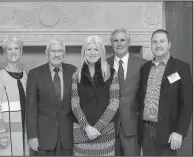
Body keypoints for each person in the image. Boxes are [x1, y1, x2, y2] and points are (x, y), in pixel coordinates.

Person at [138, 29, 193, 156]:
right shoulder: (145, 69)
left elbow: (187, 104)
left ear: (169, 44)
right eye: (154, 42)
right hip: (146, 131)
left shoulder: (181, 68)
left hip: (169, 132)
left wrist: (179, 132)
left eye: (162, 41)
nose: (158, 45)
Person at [71, 35, 120, 156]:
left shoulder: (111, 73)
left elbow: (114, 103)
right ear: (84, 52)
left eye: (96, 49)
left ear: (101, 52)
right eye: (89, 49)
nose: (92, 52)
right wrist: (87, 127)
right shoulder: (76, 74)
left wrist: (97, 128)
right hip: (82, 133)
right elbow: (74, 104)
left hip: (105, 133)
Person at [26, 39, 76, 156]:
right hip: (43, 138)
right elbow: (31, 108)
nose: (56, 54)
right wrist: (32, 136)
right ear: (46, 53)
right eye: (53, 51)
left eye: (59, 51)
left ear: (64, 53)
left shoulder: (73, 71)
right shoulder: (35, 74)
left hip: (67, 137)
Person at [107, 28, 146, 156]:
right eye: (116, 40)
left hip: (132, 127)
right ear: (111, 43)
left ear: (128, 42)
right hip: (109, 127)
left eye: (122, 40)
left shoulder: (143, 64)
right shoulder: (103, 65)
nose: (119, 44)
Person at [0, 37, 29, 156]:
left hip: (24, 131)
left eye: (16, 48)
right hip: (5, 133)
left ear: (21, 52)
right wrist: (1, 133)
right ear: (5, 53)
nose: (13, 52)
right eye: (9, 49)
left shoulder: (26, 76)